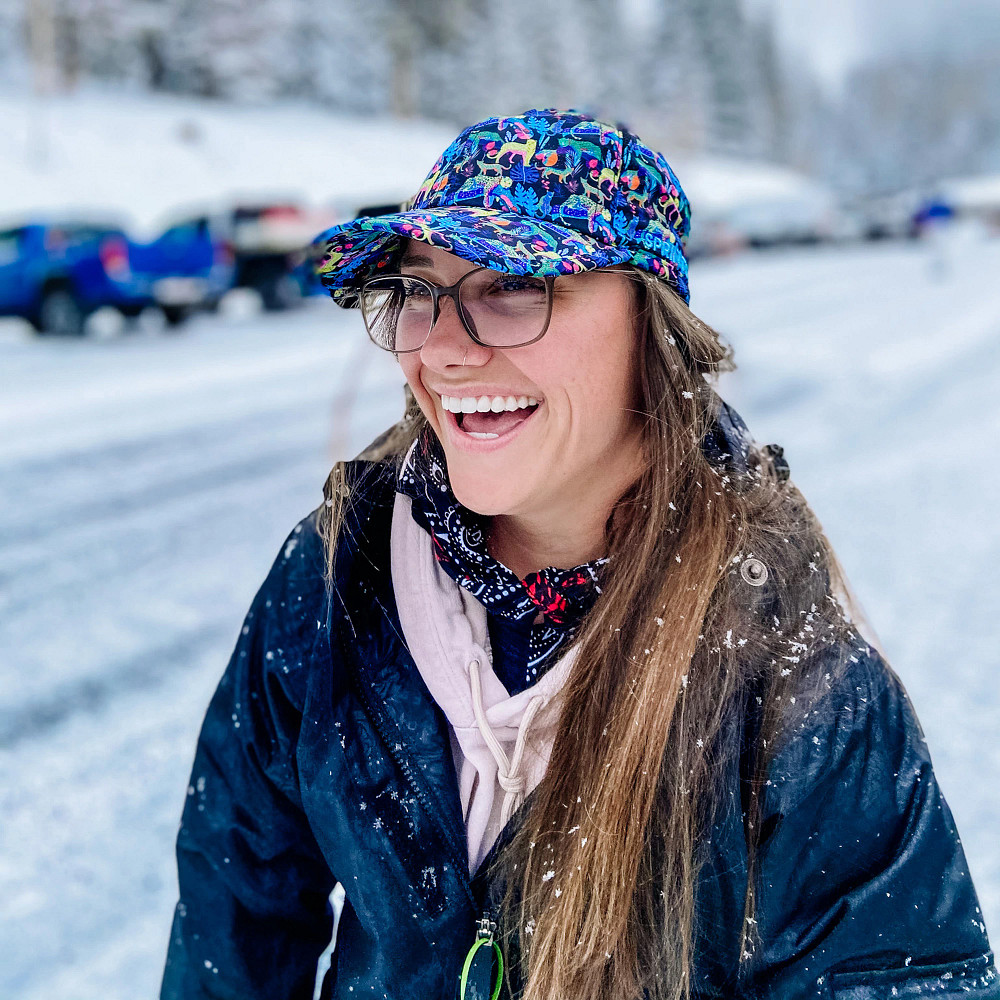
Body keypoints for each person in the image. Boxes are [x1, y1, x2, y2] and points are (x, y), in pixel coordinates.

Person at [160, 110, 998, 1000]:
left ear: (653, 327)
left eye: (512, 286)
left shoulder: (794, 676)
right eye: (415, 291)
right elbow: (233, 919)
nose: (440, 349)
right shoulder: (338, 579)